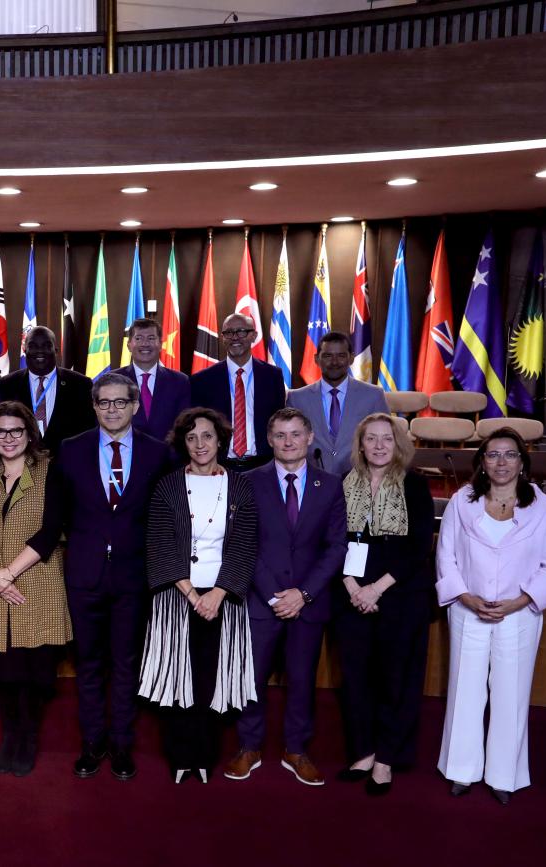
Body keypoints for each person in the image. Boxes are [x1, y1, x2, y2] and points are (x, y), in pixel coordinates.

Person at [435, 428, 546, 805]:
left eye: (510, 455)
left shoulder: (542, 507)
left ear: (522, 463)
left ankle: (503, 775)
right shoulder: (462, 502)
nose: (501, 463)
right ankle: (461, 770)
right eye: (493, 455)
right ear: (482, 462)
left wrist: (520, 601)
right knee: (466, 690)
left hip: (519, 613)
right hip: (467, 608)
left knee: (511, 691)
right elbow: (446, 557)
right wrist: (466, 597)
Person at [225, 408, 346, 786]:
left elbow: (336, 547)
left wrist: (304, 594)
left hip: (308, 604)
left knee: (302, 679)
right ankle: (249, 746)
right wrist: (274, 595)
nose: (288, 441)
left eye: (296, 434)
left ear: (310, 438)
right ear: (269, 440)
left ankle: (296, 748)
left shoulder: (330, 485)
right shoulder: (247, 481)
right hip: (261, 602)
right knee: (252, 679)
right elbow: (242, 542)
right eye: (280, 435)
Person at [55, 372, 166, 780]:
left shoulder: (159, 454)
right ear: (94, 406)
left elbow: (164, 518)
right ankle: (92, 743)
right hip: (84, 576)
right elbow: (58, 514)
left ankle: (121, 744)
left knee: (125, 665)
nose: (112, 409)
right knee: (88, 664)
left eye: (121, 402)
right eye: (104, 402)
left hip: (133, 578)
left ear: (135, 406)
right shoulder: (70, 450)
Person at [140, 407, 257, 784]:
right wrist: (193, 595)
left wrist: (218, 593)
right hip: (179, 595)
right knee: (179, 679)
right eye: (191, 438)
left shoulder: (239, 485)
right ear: (182, 444)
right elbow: (159, 543)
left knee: (210, 679)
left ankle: (205, 756)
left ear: (220, 439)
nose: (200, 444)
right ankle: (180, 757)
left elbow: (245, 544)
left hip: (223, 598)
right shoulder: (168, 485)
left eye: (207, 436)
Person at [0, 401, 70, 776]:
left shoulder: (49, 470)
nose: (8, 439)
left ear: (29, 434)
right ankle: (10, 736)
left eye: (16, 431)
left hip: (34, 583)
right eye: (1, 432)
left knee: (33, 672)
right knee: (4, 670)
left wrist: (9, 573)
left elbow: (50, 530)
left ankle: (27, 738)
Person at [334, 413, 435, 796]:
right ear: (360, 444)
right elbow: (332, 539)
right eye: (371, 439)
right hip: (350, 594)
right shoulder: (343, 484)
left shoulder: (415, 485)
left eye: (387, 439)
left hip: (400, 594)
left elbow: (418, 546)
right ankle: (362, 751)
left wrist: (376, 589)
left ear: (399, 446)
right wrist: (352, 586)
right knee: (356, 678)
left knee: (397, 679)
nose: (378, 446)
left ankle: (386, 758)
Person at [189, 313, 286, 472]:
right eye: (228, 333)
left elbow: (279, 421)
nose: (235, 337)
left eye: (241, 331)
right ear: (222, 337)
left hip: (264, 466)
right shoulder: (202, 380)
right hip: (218, 467)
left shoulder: (272, 376)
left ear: (253, 336)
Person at [286, 332, 389, 477]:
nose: (335, 362)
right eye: (328, 356)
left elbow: (385, 442)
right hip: (311, 481)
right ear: (317, 359)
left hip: (361, 480)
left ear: (351, 358)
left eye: (341, 356)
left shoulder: (373, 395)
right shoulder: (297, 398)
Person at [0, 326, 95, 456]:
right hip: (21, 466)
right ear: (25, 350)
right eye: (33, 346)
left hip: (68, 465)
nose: (40, 351)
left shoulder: (81, 384)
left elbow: (90, 430)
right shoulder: (5, 386)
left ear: (56, 350)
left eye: (47, 345)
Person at [111, 317, 190, 467]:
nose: (145, 343)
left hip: (169, 465)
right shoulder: (112, 381)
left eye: (151, 338)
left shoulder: (180, 381)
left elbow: (184, 427)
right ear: (129, 345)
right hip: (125, 463)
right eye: (138, 338)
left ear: (160, 344)